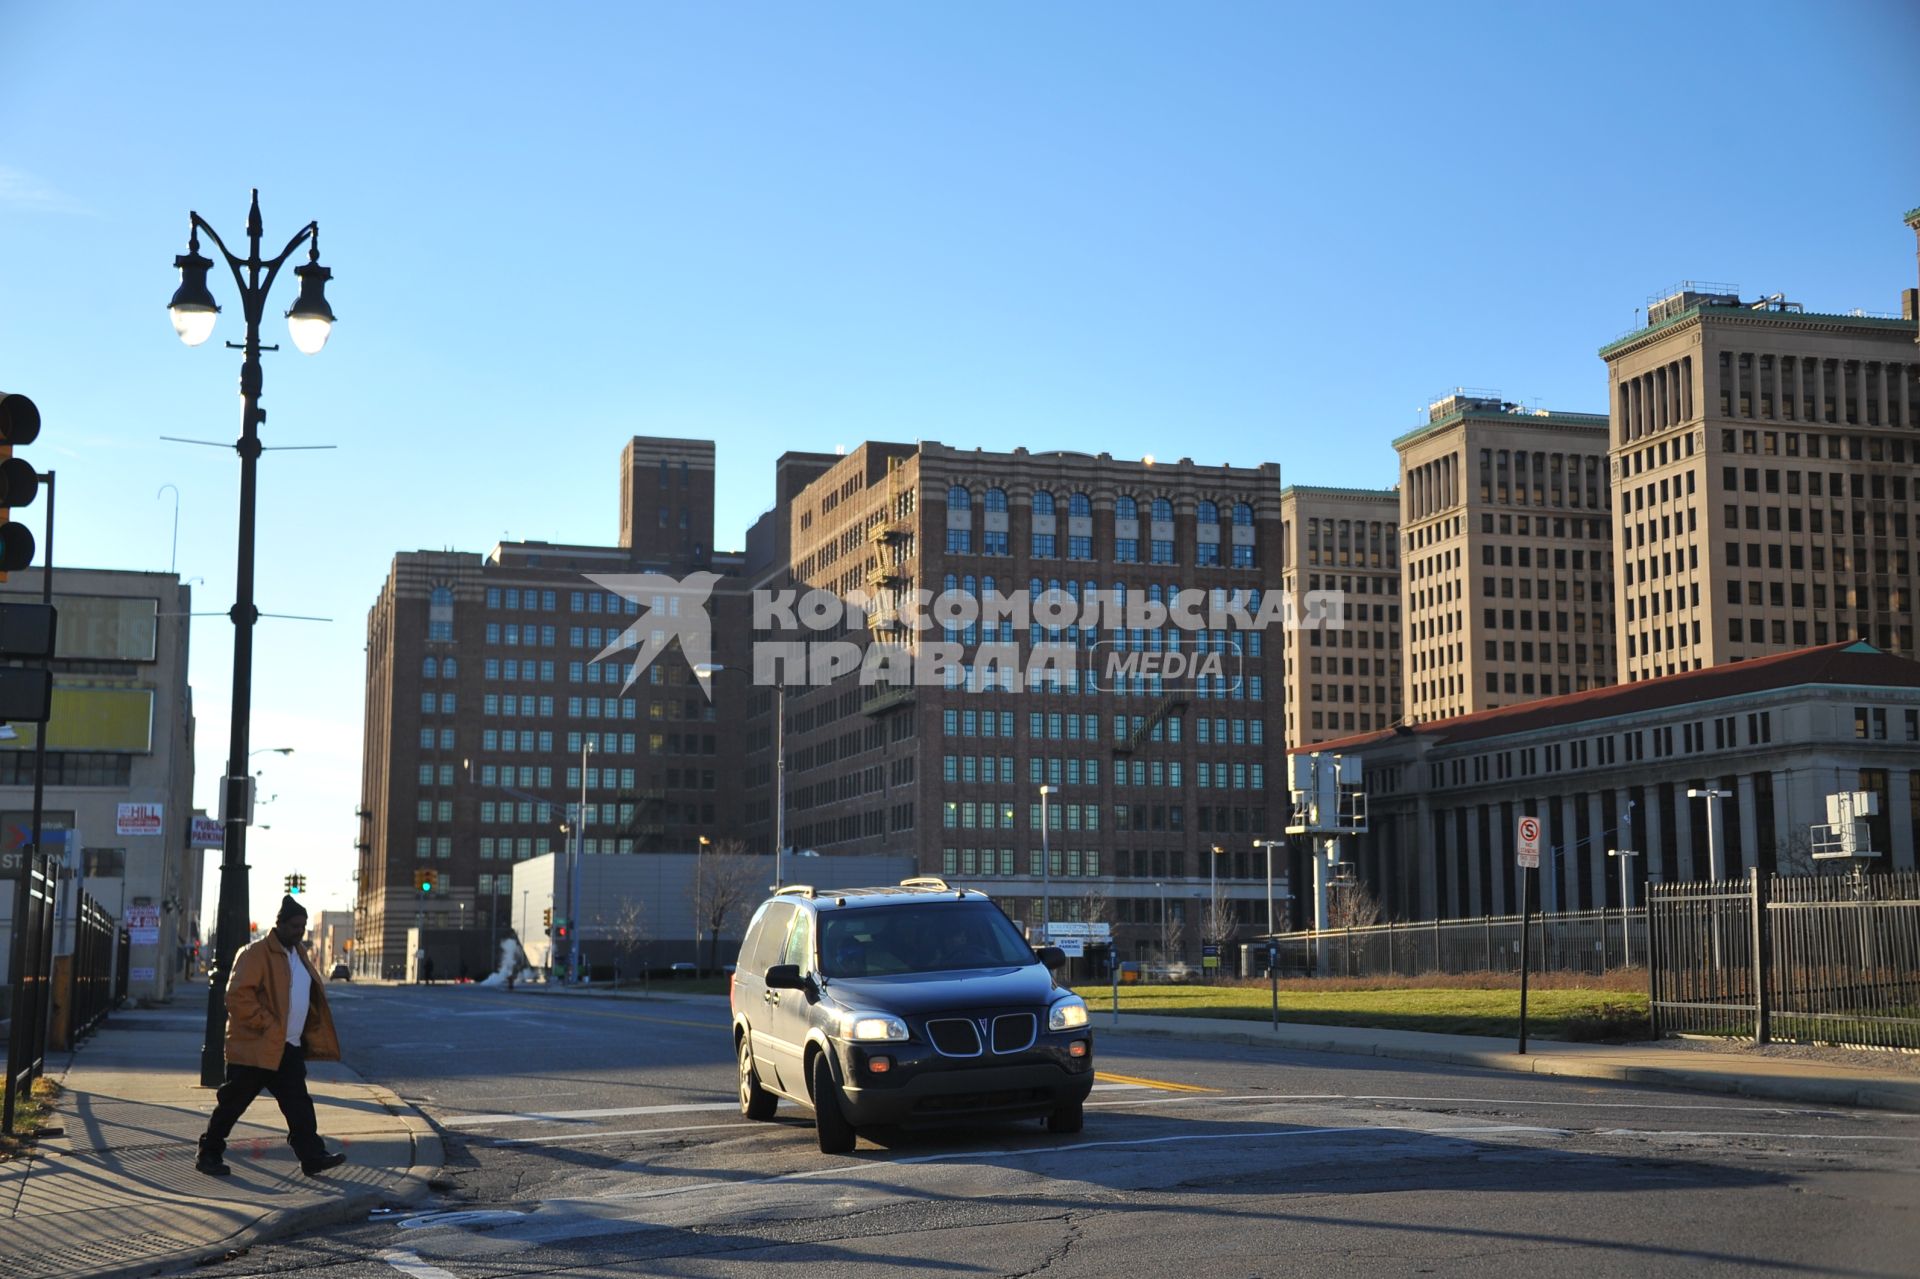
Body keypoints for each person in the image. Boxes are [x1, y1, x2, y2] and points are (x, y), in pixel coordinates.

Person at [196, 896, 347, 1178]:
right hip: (256, 1047)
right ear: (279, 924)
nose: (299, 931)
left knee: (299, 1105)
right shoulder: (255, 953)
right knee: (232, 1104)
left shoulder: (298, 954)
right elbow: (237, 997)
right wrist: (269, 1025)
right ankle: (209, 1154)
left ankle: (312, 1155)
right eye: (294, 926)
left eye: (302, 926)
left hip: (287, 1048)